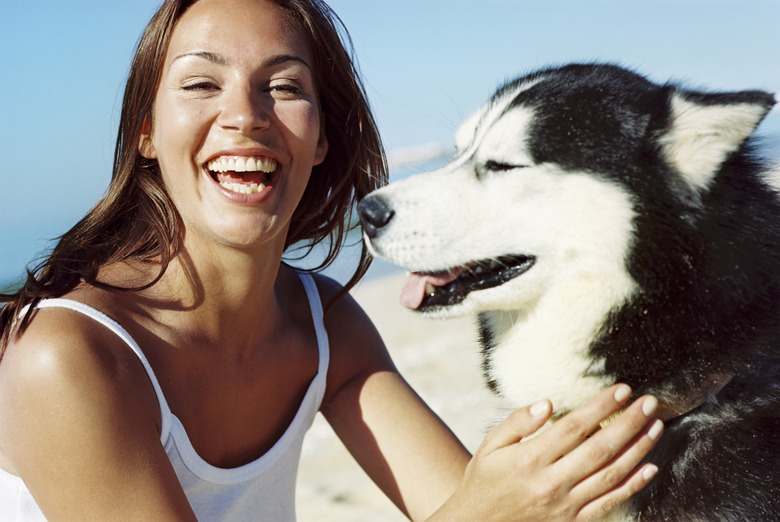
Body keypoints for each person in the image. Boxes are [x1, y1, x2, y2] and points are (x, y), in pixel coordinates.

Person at [0, 0, 663, 520]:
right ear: (145, 132)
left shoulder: (324, 327)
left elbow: (486, 504)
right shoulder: (68, 359)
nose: (244, 115)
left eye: (283, 88)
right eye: (202, 83)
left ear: (321, 136)